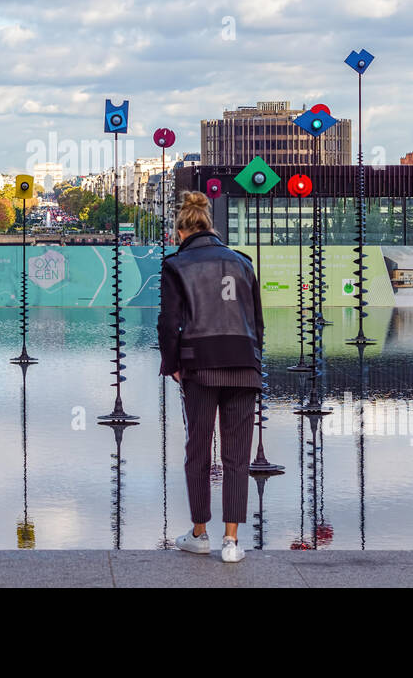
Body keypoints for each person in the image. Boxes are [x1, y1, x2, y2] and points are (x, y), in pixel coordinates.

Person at [157, 190, 263, 563]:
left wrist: (171, 363)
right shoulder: (243, 263)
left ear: (181, 231)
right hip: (243, 364)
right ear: (209, 225)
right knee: (237, 456)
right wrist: (255, 360)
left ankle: (200, 533)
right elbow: (257, 321)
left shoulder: (176, 265)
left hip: (199, 366)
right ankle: (232, 542)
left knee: (198, 450)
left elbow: (169, 323)